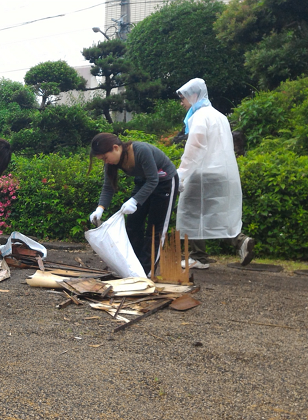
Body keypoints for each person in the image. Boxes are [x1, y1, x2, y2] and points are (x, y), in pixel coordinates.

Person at [175, 78, 255, 269]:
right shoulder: (219, 116)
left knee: (191, 213)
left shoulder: (200, 116)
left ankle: (198, 257)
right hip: (221, 172)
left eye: (183, 98)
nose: (182, 102)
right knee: (213, 213)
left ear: (194, 95)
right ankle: (240, 240)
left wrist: (182, 173)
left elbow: (195, 147)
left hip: (202, 173)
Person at [88, 132, 179, 275]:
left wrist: (135, 200)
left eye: (105, 157)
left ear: (116, 147)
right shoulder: (112, 162)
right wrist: (100, 208)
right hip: (144, 181)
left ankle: (147, 272)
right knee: (132, 224)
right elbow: (108, 186)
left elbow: (153, 180)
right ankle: (133, 268)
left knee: (155, 229)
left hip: (165, 181)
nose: (106, 162)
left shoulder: (141, 150)